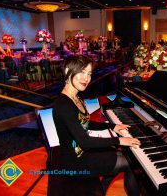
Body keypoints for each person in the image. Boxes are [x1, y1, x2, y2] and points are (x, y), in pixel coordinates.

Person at [52, 55, 140, 196]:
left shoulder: (75, 96)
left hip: (81, 153)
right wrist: (120, 140)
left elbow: (85, 123)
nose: (86, 78)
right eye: (81, 72)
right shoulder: (63, 105)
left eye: (89, 74)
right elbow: (85, 142)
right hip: (75, 162)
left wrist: (111, 127)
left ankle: (102, 188)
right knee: (129, 163)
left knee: (121, 155)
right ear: (68, 70)